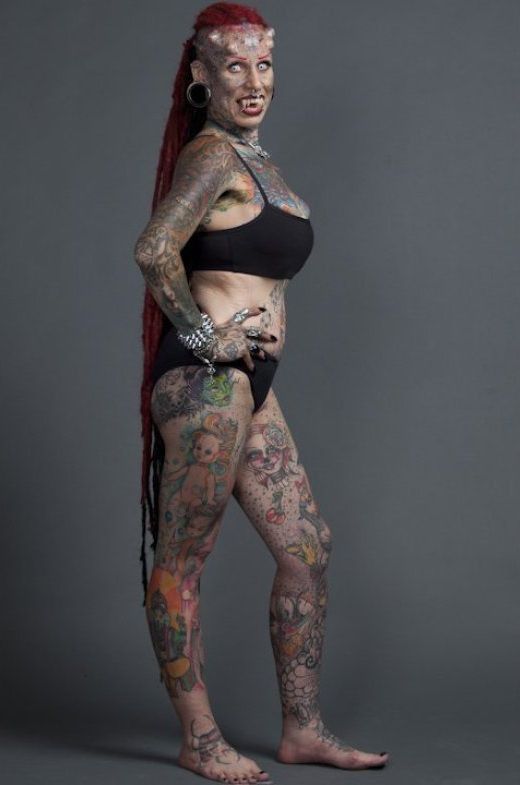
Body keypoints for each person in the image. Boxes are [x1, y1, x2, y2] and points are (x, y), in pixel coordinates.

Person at [134, 3, 390, 783]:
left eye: (264, 64)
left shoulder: (257, 162)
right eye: (235, 66)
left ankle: (302, 729)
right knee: (184, 560)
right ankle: (200, 737)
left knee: (307, 550)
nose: (254, 81)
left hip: (251, 383)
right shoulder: (212, 155)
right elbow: (155, 248)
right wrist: (206, 337)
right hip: (205, 381)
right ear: (201, 78)